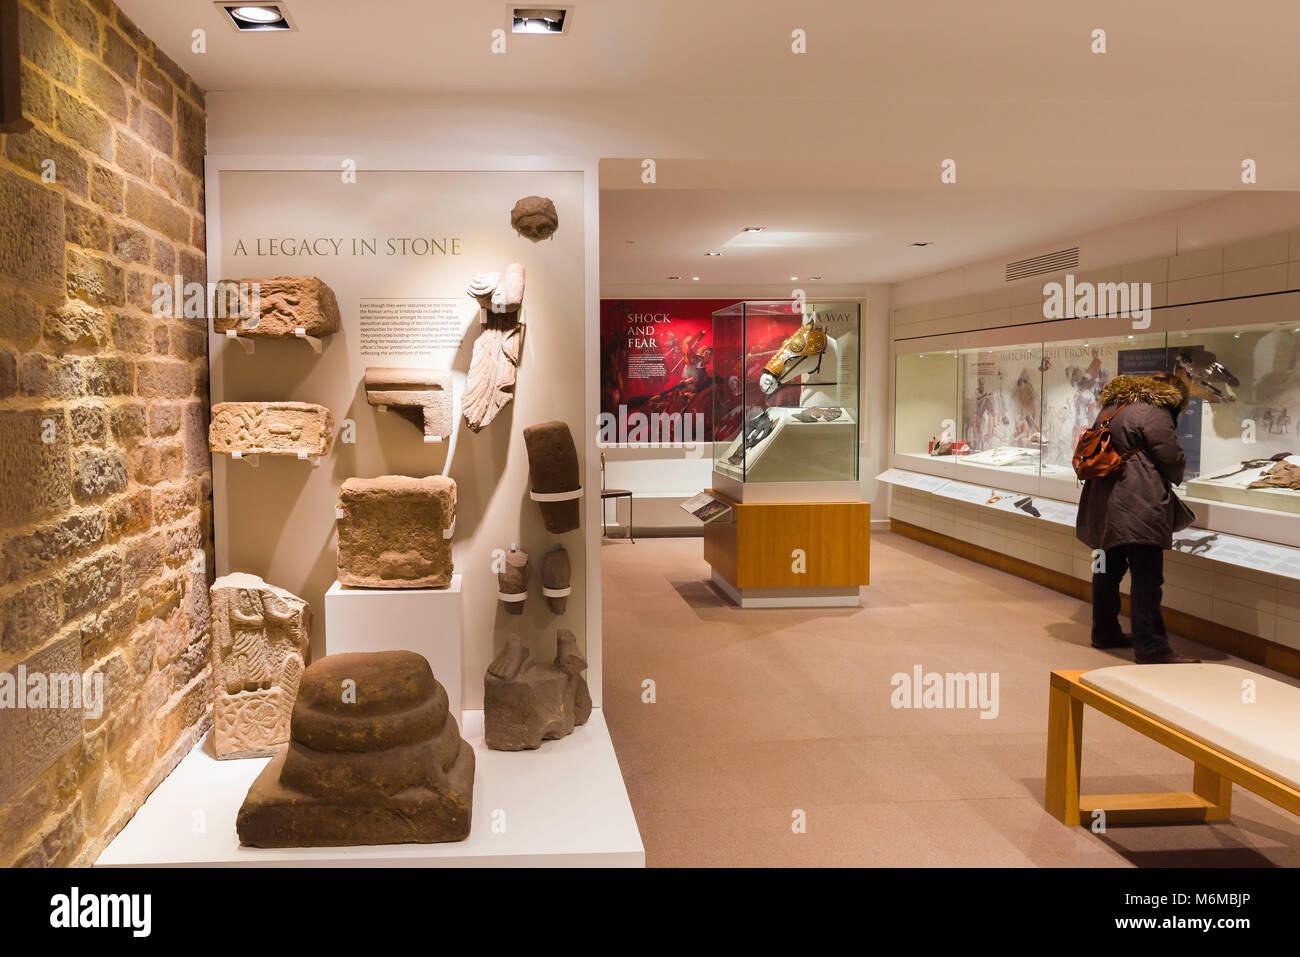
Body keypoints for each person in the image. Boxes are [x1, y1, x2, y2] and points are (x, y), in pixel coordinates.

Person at [1075, 371, 1200, 664]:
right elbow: (1170, 455)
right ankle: (1152, 647)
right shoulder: (1155, 410)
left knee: (1105, 571)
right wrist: (1178, 474)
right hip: (1139, 502)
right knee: (1147, 577)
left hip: (1102, 501)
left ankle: (1104, 632)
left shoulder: (1112, 406)